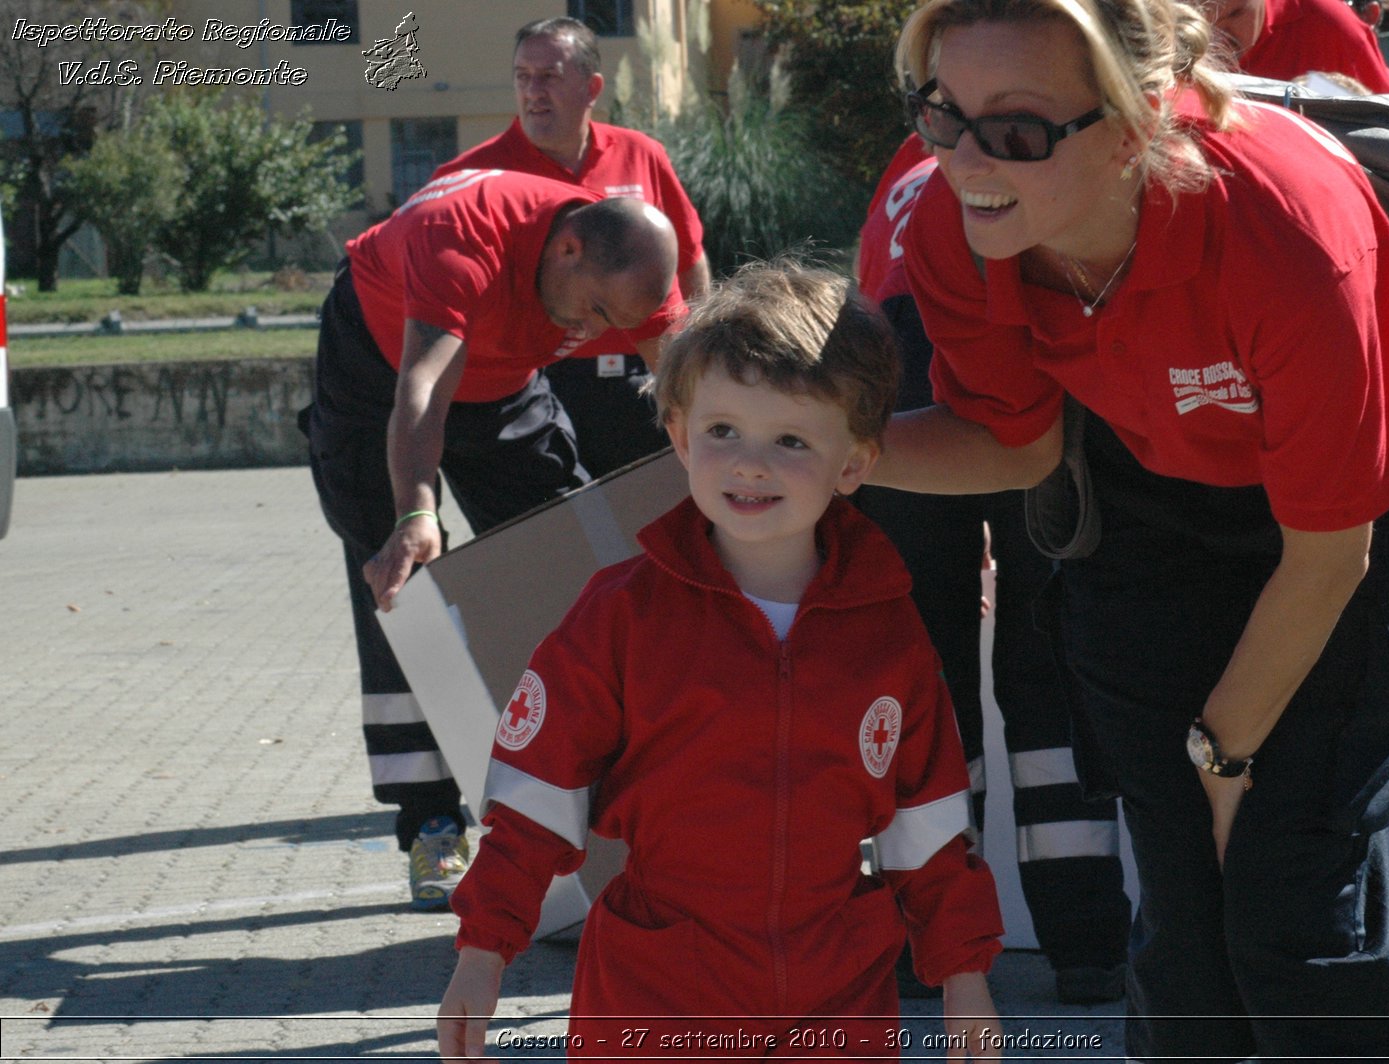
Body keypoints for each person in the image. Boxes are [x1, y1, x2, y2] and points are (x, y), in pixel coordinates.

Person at [883, 1, 1389, 1060]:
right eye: (942, 114)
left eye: (1013, 130)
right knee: (1188, 940)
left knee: (1283, 907)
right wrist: (827, 454)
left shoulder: (1287, 235)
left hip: (1349, 526)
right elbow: (1014, 449)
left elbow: (1331, 554)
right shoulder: (952, 223)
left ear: (1136, 119)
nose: (964, 159)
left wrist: (1220, 751)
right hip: (1150, 499)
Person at [435, 261, 1005, 1059]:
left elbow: (931, 828)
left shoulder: (888, 633)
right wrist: (482, 953)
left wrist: (964, 975)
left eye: (792, 440)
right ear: (677, 435)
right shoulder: (622, 614)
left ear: (854, 464)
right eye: (723, 431)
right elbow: (536, 800)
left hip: (837, 999)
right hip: (653, 996)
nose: (750, 463)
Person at [303, 169, 682, 911]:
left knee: (570, 560)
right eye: (598, 311)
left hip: (503, 380)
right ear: (567, 249)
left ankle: (611, 803)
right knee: (399, 584)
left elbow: (687, 386)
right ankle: (432, 824)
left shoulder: (632, 261)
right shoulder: (461, 243)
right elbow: (420, 393)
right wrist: (416, 512)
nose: (603, 332)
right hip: (378, 369)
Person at [854, 137, 1131, 1005]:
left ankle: (926, 936)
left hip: (899, 356)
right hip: (1033, 338)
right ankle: (1086, 944)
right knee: (1050, 648)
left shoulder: (914, 154)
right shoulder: (1031, 116)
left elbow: (873, 284)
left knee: (923, 671)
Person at [432, 16, 711, 479]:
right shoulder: (471, 177)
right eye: (522, 76)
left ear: (592, 87)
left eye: (550, 77)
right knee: (560, 529)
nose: (533, 91)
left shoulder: (642, 153)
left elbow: (690, 261)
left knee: (651, 519)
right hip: (529, 389)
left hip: (637, 379)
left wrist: (695, 363)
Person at [1204, 0, 1389, 100]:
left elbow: (1383, 126)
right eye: (1199, 16)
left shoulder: (1324, 25)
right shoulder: (1173, 35)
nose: (1214, 37)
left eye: (1235, 15)